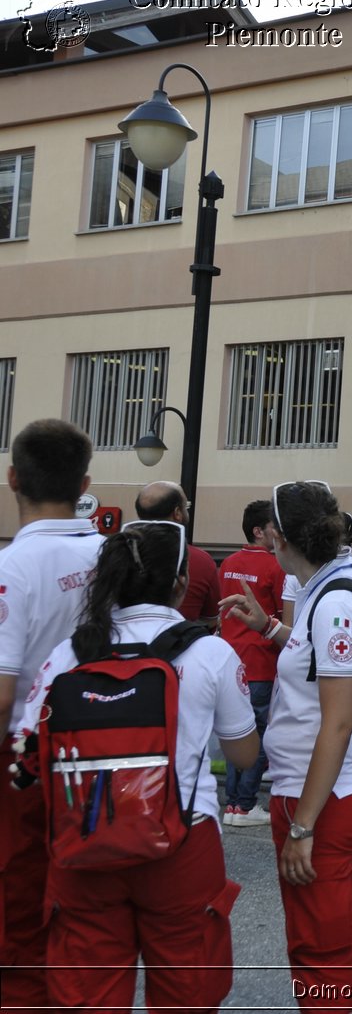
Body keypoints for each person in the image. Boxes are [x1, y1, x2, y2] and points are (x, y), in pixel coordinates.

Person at [22, 520, 259, 1014]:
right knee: (187, 994)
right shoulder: (210, 651)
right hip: (183, 842)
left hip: (85, 839)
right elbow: (243, 755)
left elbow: (28, 744)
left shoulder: (70, 652)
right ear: (179, 584)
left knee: (86, 996)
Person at [222, 480, 352, 1011]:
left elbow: (337, 724)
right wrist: (270, 627)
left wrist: (302, 826)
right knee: (334, 939)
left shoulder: (336, 601)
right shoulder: (325, 587)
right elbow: (316, 664)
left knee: (319, 949)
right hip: (323, 794)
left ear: (276, 536)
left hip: (324, 800)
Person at [0, 419, 103, 1012]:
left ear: (13, 478)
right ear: (84, 482)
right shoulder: (111, 554)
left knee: (19, 912)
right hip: (104, 754)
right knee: (85, 914)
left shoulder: (16, 566)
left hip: (26, 764)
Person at [219, 499, 287, 827]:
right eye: (274, 526)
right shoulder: (276, 568)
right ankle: (245, 804)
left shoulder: (227, 562)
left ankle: (233, 804)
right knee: (258, 736)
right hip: (261, 663)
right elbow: (282, 620)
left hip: (231, 663)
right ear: (259, 531)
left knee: (237, 732)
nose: (279, 532)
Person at [134, 480, 222, 627]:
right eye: (186, 506)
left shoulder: (122, 553)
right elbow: (211, 618)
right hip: (179, 644)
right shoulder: (201, 561)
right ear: (177, 513)